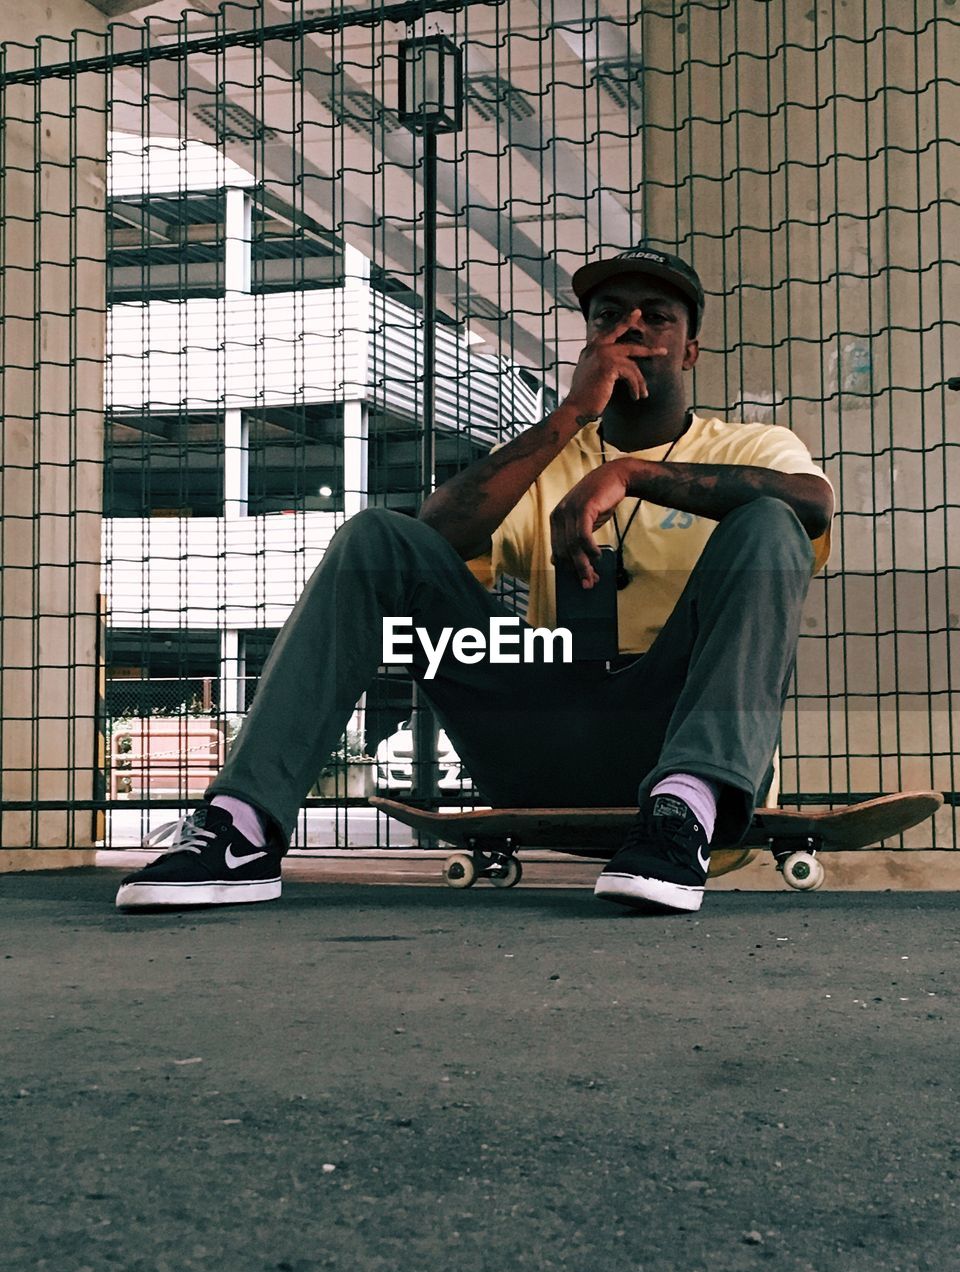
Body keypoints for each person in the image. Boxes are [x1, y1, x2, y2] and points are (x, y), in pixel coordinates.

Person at [115, 247, 834, 915]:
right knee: (377, 539)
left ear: (692, 347)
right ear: (587, 341)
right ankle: (241, 829)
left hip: (673, 732)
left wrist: (629, 473)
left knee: (770, 520)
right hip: (545, 736)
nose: (631, 327)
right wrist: (572, 416)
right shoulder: (548, 453)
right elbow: (431, 541)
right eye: (609, 315)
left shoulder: (751, 445)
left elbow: (811, 506)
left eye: (658, 315)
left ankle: (685, 810)